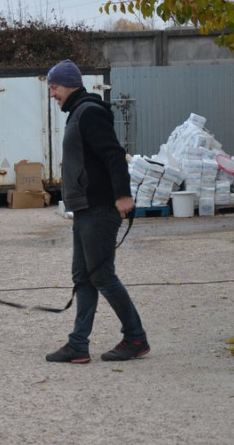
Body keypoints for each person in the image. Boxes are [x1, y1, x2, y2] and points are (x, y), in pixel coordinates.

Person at [44, 59, 149, 363]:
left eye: (55, 87)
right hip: (84, 209)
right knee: (84, 276)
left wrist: (123, 195)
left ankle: (136, 338)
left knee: (101, 275)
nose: (52, 94)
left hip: (100, 208)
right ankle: (78, 344)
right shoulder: (78, 112)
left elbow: (114, 155)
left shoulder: (89, 112)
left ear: (70, 84)